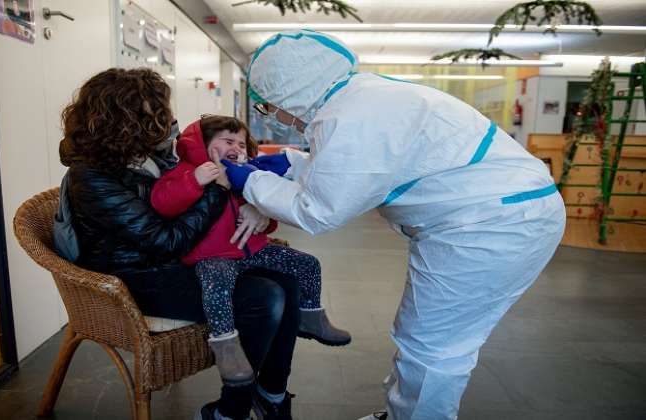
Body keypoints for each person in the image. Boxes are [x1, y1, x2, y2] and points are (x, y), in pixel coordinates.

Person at [222, 30, 567, 419]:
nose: (278, 116)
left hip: (489, 225)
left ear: (292, 93)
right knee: (423, 334)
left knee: (434, 345)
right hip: (494, 213)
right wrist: (292, 163)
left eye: (271, 107)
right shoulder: (362, 97)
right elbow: (364, 170)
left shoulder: (347, 117)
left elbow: (318, 209)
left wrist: (249, 181)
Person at [59, 67, 300, 420]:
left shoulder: (152, 153)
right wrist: (214, 192)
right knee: (264, 297)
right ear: (128, 119)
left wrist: (252, 205)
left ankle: (272, 393)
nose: (169, 118)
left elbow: (201, 185)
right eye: (158, 110)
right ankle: (232, 409)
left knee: (288, 277)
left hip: (180, 259)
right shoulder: (91, 177)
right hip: (135, 278)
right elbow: (164, 241)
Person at [150, 114, 351, 386]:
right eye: (228, 141)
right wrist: (194, 181)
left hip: (252, 250)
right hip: (212, 257)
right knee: (217, 286)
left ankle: (310, 316)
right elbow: (163, 202)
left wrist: (261, 212)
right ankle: (225, 345)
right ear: (202, 144)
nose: (237, 148)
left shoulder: (248, 175)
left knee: (307, 264)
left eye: (242, 144)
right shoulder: (185, 173)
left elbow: (270, 209)